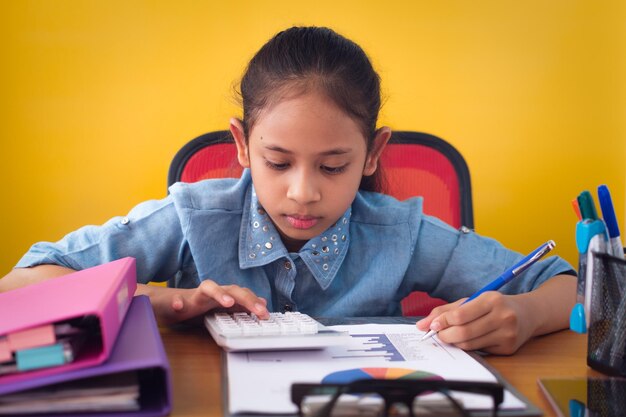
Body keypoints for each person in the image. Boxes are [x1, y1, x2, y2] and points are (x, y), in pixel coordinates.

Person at [0, 26, 576, 355]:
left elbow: (569, 288)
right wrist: (171, 304)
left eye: (333, 167)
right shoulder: (193, 218)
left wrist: (523, 315)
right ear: (244, 146)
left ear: (373, 153)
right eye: (278, 162)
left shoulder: (400, 233)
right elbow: (23, 283)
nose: (303, 194)